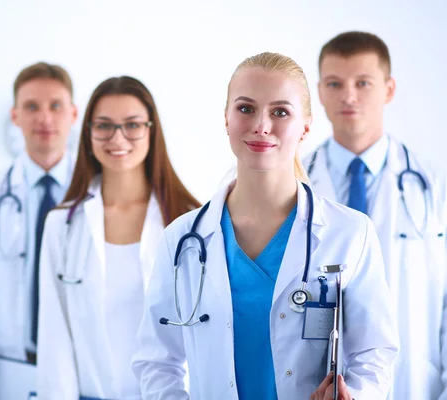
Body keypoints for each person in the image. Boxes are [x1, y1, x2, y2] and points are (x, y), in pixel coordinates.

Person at [132, 52, 399, 400]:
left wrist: (356, 396)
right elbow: (156, 360)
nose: (261, 125)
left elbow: (374, 354)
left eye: (280, 112)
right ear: (226, 119)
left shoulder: (349, 233)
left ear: (305, 126)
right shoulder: (182, 239)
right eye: (245, 108)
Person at [36, 76, 201, 400]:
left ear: (151, 131)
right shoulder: (62, 224)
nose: (118, 138)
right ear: (88, 133)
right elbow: (54, 338)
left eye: (132, 125)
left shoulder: (189, 222)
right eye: (105, 126)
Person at [304, 31, 447, 400]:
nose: (348, 96)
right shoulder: (295, 188)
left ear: (388, 89)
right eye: (334, 83)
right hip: (318, 386)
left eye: (363, 83)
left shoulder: (434, 188)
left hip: (414, 384)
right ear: (319, 92)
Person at [0, 62, 77, 399]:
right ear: (15, 115)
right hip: (7, 371)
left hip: (80, 369)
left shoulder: (96, 194)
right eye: (32, 106)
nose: (44, 118)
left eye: (55, 106)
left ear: (74, 114)